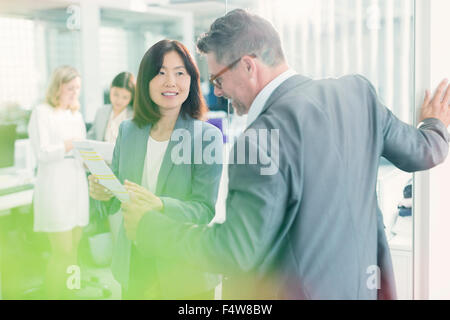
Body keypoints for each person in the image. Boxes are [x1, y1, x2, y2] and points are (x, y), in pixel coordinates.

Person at [124, 9, 450, 300]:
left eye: (219, 79)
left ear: (248, 66)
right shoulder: (357, 94)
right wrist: (435, 123)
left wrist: (150, 227)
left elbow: (235, 250)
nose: (218, 91)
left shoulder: (258, 139)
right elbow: (424, 151)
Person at [88, 40, 223, 299]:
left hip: (184, 269)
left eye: (179, 73)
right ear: (146, 81)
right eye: (160, 73)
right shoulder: (128, 131)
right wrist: (103, 193)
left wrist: (159, 204)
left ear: (191, 80)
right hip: (135, 264)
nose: (170, 81)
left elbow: (203, 209)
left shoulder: (206, 137)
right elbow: (119, 196)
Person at [28, 65, 88, 299]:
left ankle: (71, 292)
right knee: (61, 250)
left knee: (73, 247)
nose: (75, 93)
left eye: (78, 88)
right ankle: (55, 294)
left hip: (76, 187)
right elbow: (42, 152)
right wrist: (68, 144)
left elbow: (81, 148)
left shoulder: (76, 114)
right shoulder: (42, 112)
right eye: (70, 88)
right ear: (57, 87)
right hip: (55, 189)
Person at [86, 71, 135, 241]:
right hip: (101, 170)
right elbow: (92, 137)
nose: (119, 100)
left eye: (124, 97)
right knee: (105, 216)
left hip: (123, 173)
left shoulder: (134, 115)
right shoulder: (102, 111)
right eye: (115, 94)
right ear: (110, 90)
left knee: (121, 219)